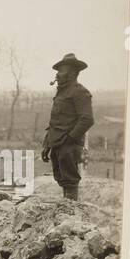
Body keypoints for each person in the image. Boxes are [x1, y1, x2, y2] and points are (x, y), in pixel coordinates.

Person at [41, 53, 95, 202]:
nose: (57, 75)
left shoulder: (80, 92)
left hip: (68, 145)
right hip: (57, 143)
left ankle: (70, 215)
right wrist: (47, 145)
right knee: (61, 178)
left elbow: (87, 119)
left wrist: (70, 139)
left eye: (61, 71)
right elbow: (55, 122)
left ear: (71, 73)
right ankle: (66, 210)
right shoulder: (61, 92)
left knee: (70, 180)